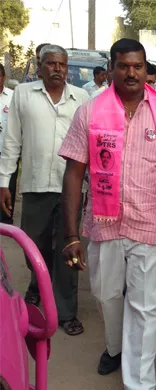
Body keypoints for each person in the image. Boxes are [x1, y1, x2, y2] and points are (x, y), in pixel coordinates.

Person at [57, 39, 156, 390]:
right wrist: (71, 235)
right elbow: (73, 172)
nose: (131, 72)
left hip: (150, 225)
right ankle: (114, 347)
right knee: (106, 294)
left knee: (145, 309)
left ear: (148, 70)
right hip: (104, 223)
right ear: (112, 69)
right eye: (123, 65)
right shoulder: (90, 111)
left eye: (138, 66)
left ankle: (139, 389)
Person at [0, 44, 89, 335]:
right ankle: (39, 283)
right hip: (35, 184)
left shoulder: (81, 98)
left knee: (67, 249)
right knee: (33, 247)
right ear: (40, 66)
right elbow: (12, 141)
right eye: (51, 64)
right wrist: (4, 181)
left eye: (62, 64)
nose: (58, 69)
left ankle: (65, 312)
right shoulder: (24, 96)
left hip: (70, 188)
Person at [0, 63, 15, 224]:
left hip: (7, 149)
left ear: (3, 77)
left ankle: (6, 217)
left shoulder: (12, 97)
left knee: (8, 184)